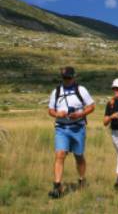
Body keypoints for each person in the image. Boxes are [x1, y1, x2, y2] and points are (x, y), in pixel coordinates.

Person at [47, 66, 96, 199]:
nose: (67, 80)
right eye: (64, 78)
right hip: (61, 128)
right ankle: (57, 186)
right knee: (60, 155)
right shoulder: (56, 91)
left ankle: (81, 179)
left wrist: (80, 114)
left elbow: (91, 106)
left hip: (78, 128)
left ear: (74, 77)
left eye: (69, 77)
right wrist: (57, 113)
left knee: (78, 156)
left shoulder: (82, 90)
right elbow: (50, 110)